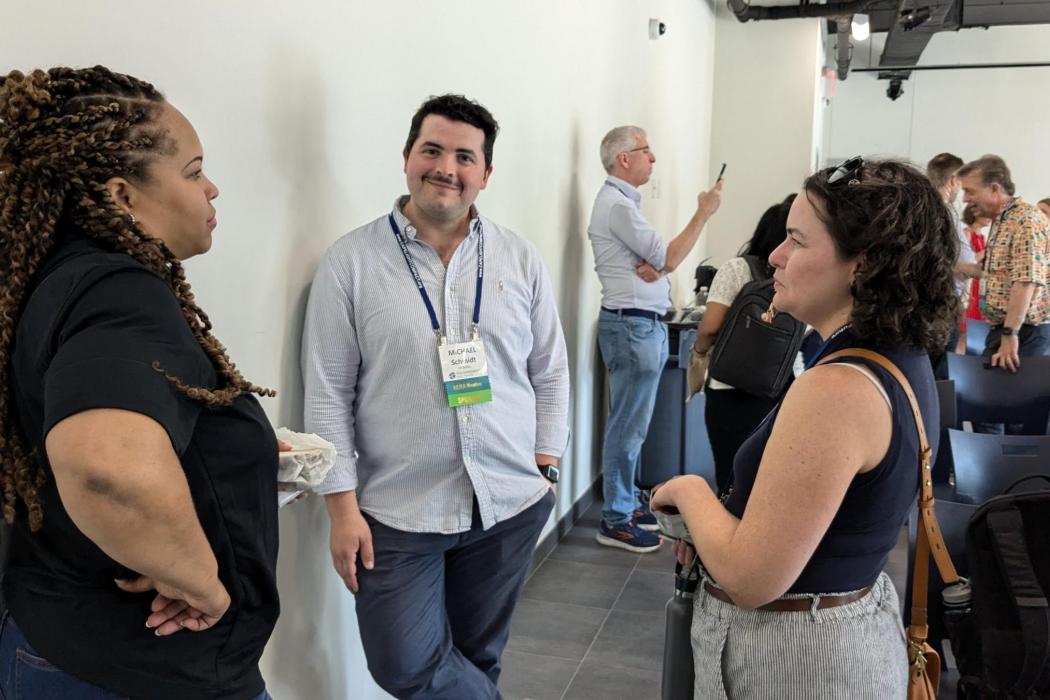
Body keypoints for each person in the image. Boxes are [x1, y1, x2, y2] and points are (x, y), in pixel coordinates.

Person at [0, 66, 281, 700]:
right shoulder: (120, 290)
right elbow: (107, 469)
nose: (211, 188)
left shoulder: (50, 277)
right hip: (138, 666)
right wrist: (199, 578)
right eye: (193, 172)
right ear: (122, 195)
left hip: (57, 638)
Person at [649, 158, 958, 698]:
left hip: (797, 658)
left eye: (796, 240)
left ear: (862, 264)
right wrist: (720, 528)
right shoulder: (895, 358)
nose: (776, 256)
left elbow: (750, 578)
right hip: (841, 635)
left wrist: (689, 491)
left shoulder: (838, 388)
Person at [302, 94, 569, 699]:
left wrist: (546, 466)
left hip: (507, 503)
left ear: (485, 173)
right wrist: (341, 509)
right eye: (432, 150)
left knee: (477, 656)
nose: (446, 168)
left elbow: (550, 371)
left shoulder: (519, 258)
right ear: (407, 158)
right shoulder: (351, 262)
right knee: (405, 666)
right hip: (397, 510)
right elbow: (327, 392)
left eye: (464, 157)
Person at [587, 125, 722, 552]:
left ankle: (626, 503)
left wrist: (660, 265)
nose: (654, 158)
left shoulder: (625, 205)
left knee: (634, 425)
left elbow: (661, 260)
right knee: (627, 427)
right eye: (646, 150)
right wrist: (704, 212)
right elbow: (669, 255)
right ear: (624, 158)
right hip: (632, 327)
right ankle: (615, 518)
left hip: (640, 326)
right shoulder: (617, 206)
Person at [692, 195, 796, 491]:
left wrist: (699, 353)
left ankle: (726, 520)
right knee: (769, 477)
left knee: (730, 475)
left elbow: (710, 328)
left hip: (729, 387)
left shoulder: (737, 269)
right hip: (779, 387)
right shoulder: (799, 277)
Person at [959, 155, 1050, 377]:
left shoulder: (1025, 219)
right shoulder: (1002, 221)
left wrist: (1010, 334)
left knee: (1005, 397)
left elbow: (1026, 281)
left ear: (994, 189)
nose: (965, 199)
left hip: (1022, 333)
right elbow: (997, 274)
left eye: (970, 191)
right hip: (1006, 329)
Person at [925, 152, 982, 378]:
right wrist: (984, 271)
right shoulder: (943, 214)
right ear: (952, 180)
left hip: (937, 306)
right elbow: (946, 263)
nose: (964, 193)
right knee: (939, 375)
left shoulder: (929, 211)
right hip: (942, 308)